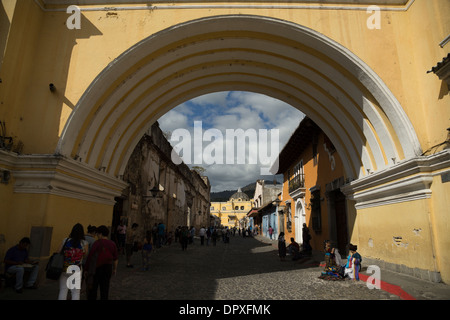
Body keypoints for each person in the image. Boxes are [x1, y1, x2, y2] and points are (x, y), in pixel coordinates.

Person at [85, 225, 118, 300]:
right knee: (105, 288)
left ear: (100, 234)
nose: (97, 236)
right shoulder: (112, 244)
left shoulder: (97, 243)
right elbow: (115, 258)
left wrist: (86, 269)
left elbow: (90, 257)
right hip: (108, 268)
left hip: (97, 268)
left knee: (93, 288)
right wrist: (115, 269)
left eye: (97, 234)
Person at [58, 223, 89, 300]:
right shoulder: (84, 243)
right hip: (76, 269)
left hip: (65, 267)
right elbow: (85, 256)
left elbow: (58, 252)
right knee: (75, 292)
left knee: (63, 290)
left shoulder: (65, 240)